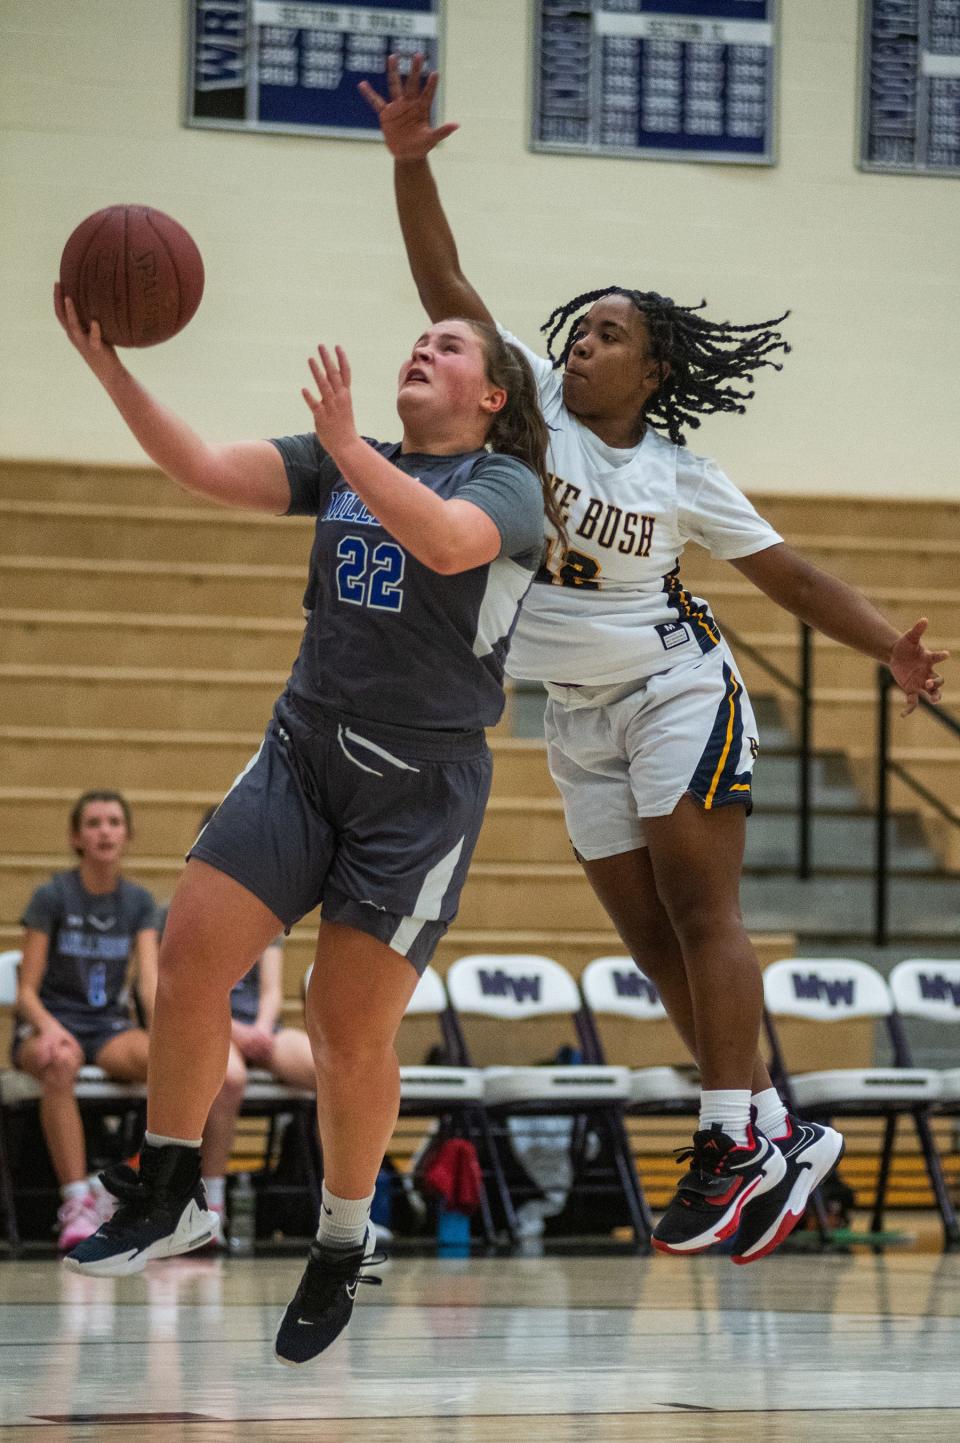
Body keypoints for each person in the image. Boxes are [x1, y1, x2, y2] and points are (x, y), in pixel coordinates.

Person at [361, 55, 949, 1262]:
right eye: (579, 328)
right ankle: (778, 1132)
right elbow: (446, 283)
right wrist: (412, 164)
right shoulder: (532, 412)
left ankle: (732, 1135)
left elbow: (786, 576)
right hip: (573, 715)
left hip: (678, 682)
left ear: (656, 368)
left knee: (702, 908)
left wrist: (885, 641)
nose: (582, 343)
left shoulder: (684, 476)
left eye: (610, 334)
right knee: (651, 947)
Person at [53, 278, 552, 1363]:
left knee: (341, 1028)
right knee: (188, 959)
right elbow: (203, 467)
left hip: (418, 790)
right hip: (305, 746)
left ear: (496, 395)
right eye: (417, 334)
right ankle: (174, 1188)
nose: (423, 346)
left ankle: (339, 1238)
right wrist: (109, 369)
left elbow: (450, 544)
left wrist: (348, 446)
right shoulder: (342, 459)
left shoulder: (509, 484)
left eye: (450, 343)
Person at [13, 791, 158, 1250]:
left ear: (128, 835)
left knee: (175, 1069)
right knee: (57, 1062)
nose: (105, 831)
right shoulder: (52, 896)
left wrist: (167, 1038)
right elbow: (25, 992)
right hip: (48, 1023)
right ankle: (75, 1200)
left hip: (107, 1028)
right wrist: (51, 1028)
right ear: (77, 837)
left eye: (114, 822)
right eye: (93, 823)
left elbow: (150, 986)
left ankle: (120, 1178)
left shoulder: (138, 903)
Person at [155, 851, 315, 1242]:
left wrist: (261, 1027)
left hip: (258, 1029)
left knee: (329, 1070)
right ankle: (211, 1206)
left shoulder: (268, 911)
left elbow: (273, 990)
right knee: (229, 1080)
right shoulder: (183, 910)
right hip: (211, 1025)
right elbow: (189, 990)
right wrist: (237, 1032)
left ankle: (337, 1206)